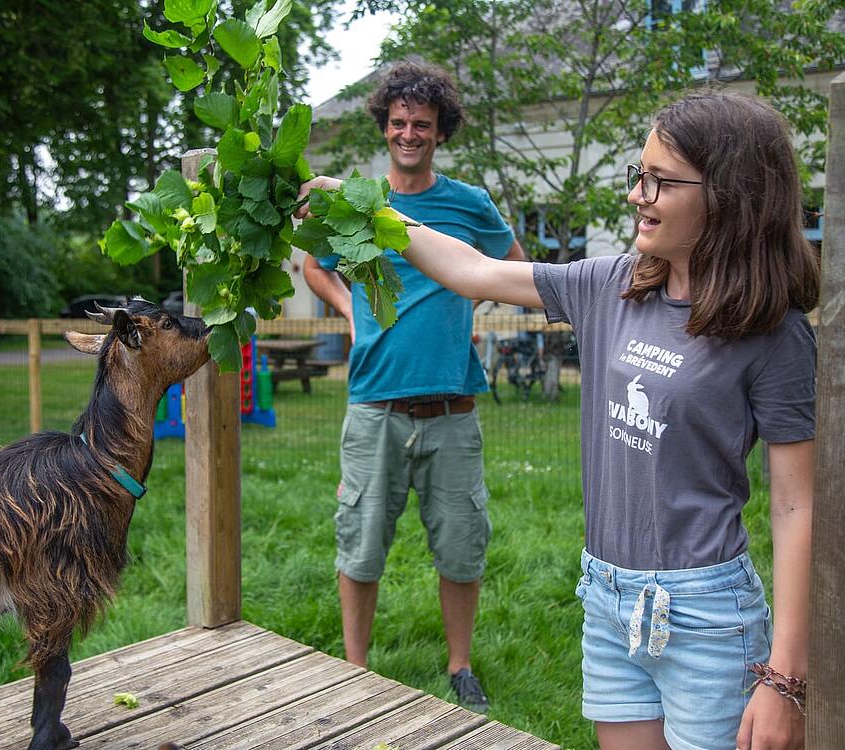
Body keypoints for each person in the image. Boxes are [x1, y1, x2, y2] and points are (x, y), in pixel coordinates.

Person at [297, 90, 817, 750]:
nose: (637, 195)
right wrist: (365, 207)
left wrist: (784, 677)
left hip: (707, 614)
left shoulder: (772, 332)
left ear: (730, 195)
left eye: (660, 180)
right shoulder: (612, 286)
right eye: (639, 174)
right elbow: (474, 268)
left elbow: (799, 506)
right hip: (606, 595)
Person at [301, 60, 526, 712]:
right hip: (375, 403)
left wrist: (467, 307)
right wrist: (348, 309)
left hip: (453, 405)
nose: (409, 134)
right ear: (384, 126)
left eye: (421, 124)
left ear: (440, 131)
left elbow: (514, 271)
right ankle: (355, 669)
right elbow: (315, 269)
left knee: (461, 542)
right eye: (398, 123)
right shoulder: (356, 203)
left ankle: (460, 666)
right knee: (361, 541)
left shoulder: (470, 205)